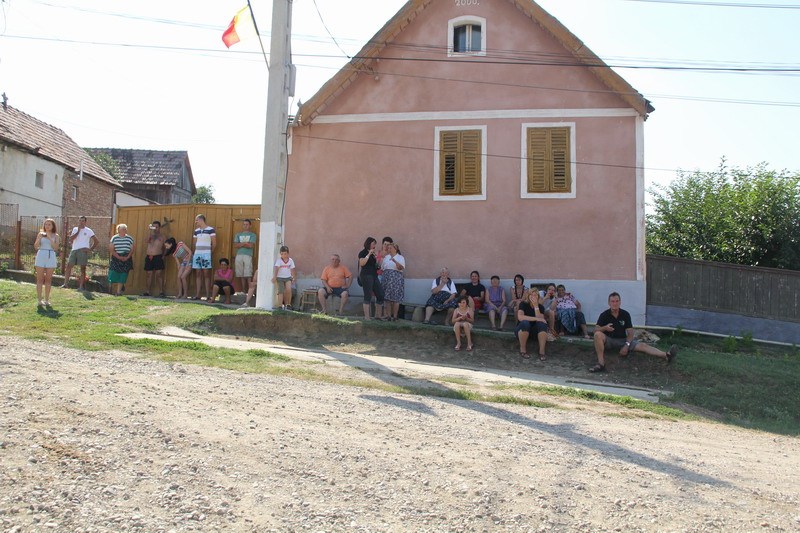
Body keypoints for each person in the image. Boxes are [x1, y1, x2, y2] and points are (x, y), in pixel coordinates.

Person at [590, 292, 678, 373]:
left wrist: (626, 345)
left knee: (643, 345)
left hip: (623, 340)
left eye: (617, 301)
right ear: (609, 303)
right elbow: (595, 330)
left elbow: (631, 333)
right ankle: (601, 363)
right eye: (612, 301)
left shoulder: (625, 314)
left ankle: (666, 355)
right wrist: (605, 328)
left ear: (620, 302)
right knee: (598, 334)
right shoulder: (604, 315)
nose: (615, 303)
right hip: (609, 340)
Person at [61, 216, 99, 291]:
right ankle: (65, 284)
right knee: (69, 266)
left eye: (83, 221)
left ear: (85, 222)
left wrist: (90, 249)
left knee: (82, 268)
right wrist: (78, 231)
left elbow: (96, 241)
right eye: (80, 221)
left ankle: (81, 287)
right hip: (74, 250)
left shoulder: (89, 230)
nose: (81, 222)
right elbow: (71, 239)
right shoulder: (75, 229)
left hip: (82, 251)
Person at [515, 288, 548, 361]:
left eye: (535, 295)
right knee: (525, 322)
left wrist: (536, 306)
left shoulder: (541, 307)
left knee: (542, 324)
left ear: (538, 297)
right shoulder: (523, 304)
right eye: (531, 295)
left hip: (534, 332)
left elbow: (541, 319)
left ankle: (542, 352)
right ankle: (523, 350)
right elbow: (520, 317)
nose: (533, 297)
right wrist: (536, 319)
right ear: (528, 296)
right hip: (521, 330)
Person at [33, 218, 60, 306]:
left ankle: (47, 300)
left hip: (50, 255)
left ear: (53, 226)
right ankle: (39, 300)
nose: (47, 226)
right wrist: (39, 238)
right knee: (40, 279)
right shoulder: (40, 234)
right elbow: (36, 246)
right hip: (41, 254)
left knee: (48, 279)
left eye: (49, 224)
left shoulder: (56, 235)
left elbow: (56, 247)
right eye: (46, 224)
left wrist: (49, 238)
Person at [357, 237, 385, 320]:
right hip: (366, 276)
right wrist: (368, 254)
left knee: (380, 294)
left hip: (374, 275)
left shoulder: (373, 254)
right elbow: (362, 263)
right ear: (368, 244)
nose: (374, 246)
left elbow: (375, 266)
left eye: (375, 244)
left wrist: (379, 261)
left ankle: (378, 316)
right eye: (373, 244)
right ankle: (367, 317)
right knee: (368, 295)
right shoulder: (362, 252)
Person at [191, 214, 216, 300]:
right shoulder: (196, 231)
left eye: (196, 220)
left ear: (201, 220)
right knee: (198, 274)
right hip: (197, 254)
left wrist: (209, 253)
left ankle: (208, 295)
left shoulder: (211, 229)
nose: (196, 222)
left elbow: (214, 243)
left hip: (206, 254)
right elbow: (194, 243)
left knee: (206, 274)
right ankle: (198, 295)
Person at [108, 224, 135, 297]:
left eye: (125, 229)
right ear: (118, 230)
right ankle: (119, 286)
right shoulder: (114, 238)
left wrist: (127, 257)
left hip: (126, 257)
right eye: (123, 229)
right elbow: (111, 249)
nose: (124, 230)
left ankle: (118, 292)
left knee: (123, 274)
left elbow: (132, 249)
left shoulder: (129, 238)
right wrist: (118, 257)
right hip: (116, 257)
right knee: (114, 272)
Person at [381, 242, 405, 321]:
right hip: (386, 278)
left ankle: (395, 316)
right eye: (388, 248)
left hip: (396, 279)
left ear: (395, 249)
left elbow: (401, 268)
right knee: (387, 298)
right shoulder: (386, 257)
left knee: (396, 298)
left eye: (390, 248)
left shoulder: (400, 257)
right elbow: (382, 268)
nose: (389, 249)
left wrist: (394, 261)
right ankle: (388, 316)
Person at [142, 220, 166, 297]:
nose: (155, 228)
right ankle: (147, 291)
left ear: (159, 227)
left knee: (159, 274)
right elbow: (146, 241)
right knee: (149, 274)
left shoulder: (162, 236)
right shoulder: (150, 235)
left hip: (158, 256)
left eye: (156, 227)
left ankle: (161, 292)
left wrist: (164, 255)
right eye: (153, 227)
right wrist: (149, 231)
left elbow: (166, 247)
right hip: (149, 256)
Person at [233, 219, 257, 294]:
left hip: (248, 255)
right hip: (239, 255)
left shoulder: (252, 235)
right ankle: (243, 290)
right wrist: (245, 243)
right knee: (241, 273)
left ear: (250, 226)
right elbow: (235, 245)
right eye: (244, 224)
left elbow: (251, 245)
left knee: (248, 273)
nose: (245, 226)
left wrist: (241, 244)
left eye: (247, 224)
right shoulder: (238, 234)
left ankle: (250, 290)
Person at [272, 245, 296, 310]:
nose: (283, 255)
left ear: (288, 253)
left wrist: (294, 278)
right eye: (282, 254)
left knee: (289, 289)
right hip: (280, 278)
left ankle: (288, 304)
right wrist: (275, 277)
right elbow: (276, 269)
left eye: (285, 254)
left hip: (288, 277)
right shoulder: (279, 260)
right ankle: (280, 305)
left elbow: (293, 269)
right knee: (281, 291)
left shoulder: (290, 260)